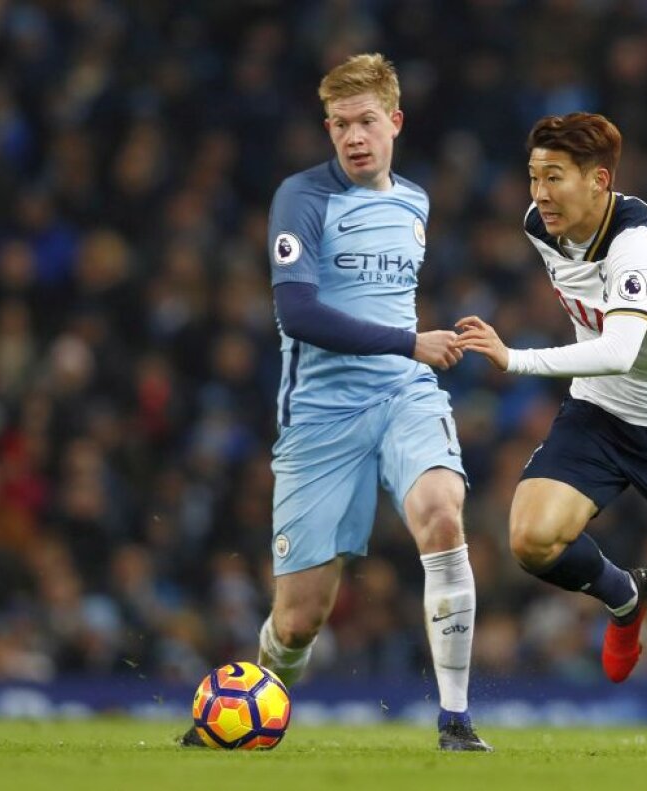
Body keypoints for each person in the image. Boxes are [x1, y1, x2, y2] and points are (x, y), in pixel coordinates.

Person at [180, 53, 489, 751]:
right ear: (328, 130)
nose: (354, 136)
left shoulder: (415, 202)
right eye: (340, 124)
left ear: (395, 122)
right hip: (321, 416)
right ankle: (256, 697)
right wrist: (410, 341)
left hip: (403, 394)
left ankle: (456, 721)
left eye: (366, 121)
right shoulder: (301, 199)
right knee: (299, 621)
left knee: (442, 514)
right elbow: (299, 315)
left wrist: (408, 355)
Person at [455, 112, 647, 755]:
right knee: (530, 538)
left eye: (554, 177)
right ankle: (624, 596)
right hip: (602, 414)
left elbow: (618, 349)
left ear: (599, 181)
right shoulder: (541, 228)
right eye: (534, 177)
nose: (540, 194)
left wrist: (514, 358)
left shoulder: (639, 248)